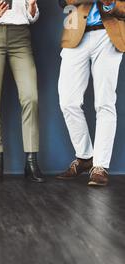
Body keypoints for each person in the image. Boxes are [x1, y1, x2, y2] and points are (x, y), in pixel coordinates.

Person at [0, 0, 45, 183]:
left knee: (31, 97)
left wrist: (33, 6)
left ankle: (31, 162)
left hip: (21, 37)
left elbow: (32, 17)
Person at [57, 0, 125, 186]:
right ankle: (85, 156)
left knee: (105, 103)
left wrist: (111, 4)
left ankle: (100, 166)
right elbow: (63, 2)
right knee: (68, 101)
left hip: (109, 36)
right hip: (75, 34)